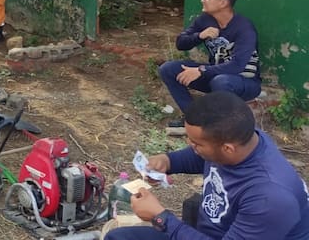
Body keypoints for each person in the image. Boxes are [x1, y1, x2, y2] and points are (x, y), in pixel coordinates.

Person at [106, 91, 309, 240]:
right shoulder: (243, 139)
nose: (190, 146)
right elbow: (207, 156)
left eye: (196, 143)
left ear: (228, 148)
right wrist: (168, 161)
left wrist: (161, 218)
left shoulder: (271, 198)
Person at [159, 0, 261, 118]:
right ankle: (194, 118)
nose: (202, 0)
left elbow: (237, 66)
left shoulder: (244, 28)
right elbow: (180, 43)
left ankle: (217, 127)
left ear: (223, 3)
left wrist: (201, 70)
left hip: (245, 82)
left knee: (221, 81)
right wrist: (200, 35)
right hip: (216, 75)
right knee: (168, 69)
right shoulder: (205, 20)